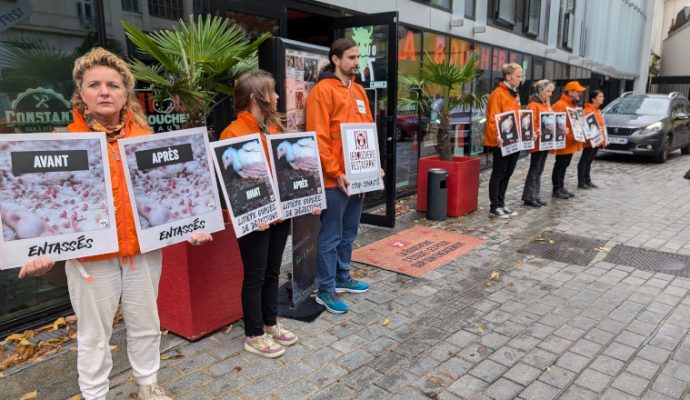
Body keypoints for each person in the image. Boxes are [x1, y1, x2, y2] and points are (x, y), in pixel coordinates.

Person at [18, 47, 213, 400]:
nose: (104, 91)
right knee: (94, 334)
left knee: (146, 324)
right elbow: (42, 209)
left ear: (126, 93)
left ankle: (148, 385)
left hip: (142, 252)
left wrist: (190, 225)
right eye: (95, 85)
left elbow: (169, 195)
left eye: (112, 84)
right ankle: (95, 395)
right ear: (82, 94)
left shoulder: (145, 139)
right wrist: (37, 251)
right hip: (93, 259)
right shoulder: (62, 142)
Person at [219, 70, 317, 358]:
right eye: (273, 91)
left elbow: (288, 171)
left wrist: (305, 198)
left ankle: (270, 323)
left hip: (278, 214)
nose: (277, 97)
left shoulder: (274, 129)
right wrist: (250, 212)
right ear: (256, 97)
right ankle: (253, 333)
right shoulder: (233, 133)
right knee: (255, 276)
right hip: (255, 220)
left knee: (273, 272)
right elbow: (232, 183)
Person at [306, 38, 373, 313]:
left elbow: (368, 130)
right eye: (351, 57)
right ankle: (326, 289)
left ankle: (343, 277)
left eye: (358, 57)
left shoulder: (358, 90)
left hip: (358, 177)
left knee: (349, 231)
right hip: (335, 180)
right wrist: (335, 171)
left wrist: (374, 165)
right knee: (330, 236)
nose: (357, 62)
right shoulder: (322, 92)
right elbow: (318, 137)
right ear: (335, 59)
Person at [485, 63, 523, 218]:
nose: (521, 79)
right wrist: (497, 137)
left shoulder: (515, 94)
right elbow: (493, 120)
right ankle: (494, 206)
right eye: (518, 76)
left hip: (514, 140)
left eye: (521, 76)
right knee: (498, 173)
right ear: (509, 77)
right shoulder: (497, 94)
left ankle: (501, 203)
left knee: (507, 173)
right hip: (501, 141)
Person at [522, 79, 555, 207]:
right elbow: (531, 123)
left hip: (545, 142)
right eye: (548, 91)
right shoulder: (533, 105)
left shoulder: (545, 104)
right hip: (537, 143)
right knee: (535, 169)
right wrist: (537, 130)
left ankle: (535, 195)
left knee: (539, 169)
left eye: (551, 91)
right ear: (540, 91)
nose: (550, 94)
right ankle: (529, 197)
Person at [551, 80, 586, 199]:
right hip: (564, 142)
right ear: (570, 92)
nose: (579, 94)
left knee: (564, 164)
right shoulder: (560, 105)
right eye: (578, 92)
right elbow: (555, 125)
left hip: (571, 141)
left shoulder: (572, 105)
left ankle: (561, 186)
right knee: (560, 165)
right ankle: (557, 189)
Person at [578, 90, 605, 189]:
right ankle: (581, 182)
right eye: (600, 96)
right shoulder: (588, 110)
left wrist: (603, 138)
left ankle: (587, 180)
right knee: (585, 160)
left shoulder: (597, 110)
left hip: (597, 139)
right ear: (593, 99)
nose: (603, 98)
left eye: (602, 96)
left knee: (589, 161)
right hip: (590, 140)